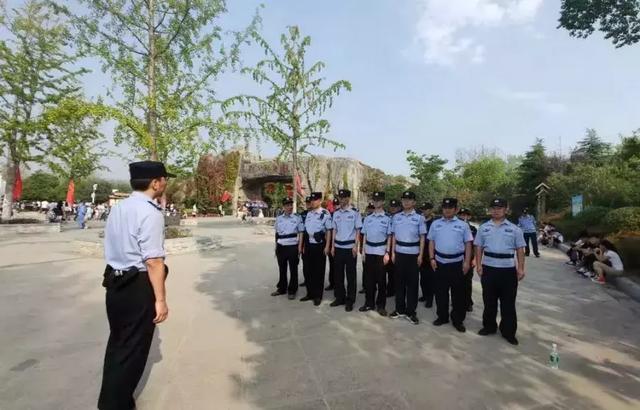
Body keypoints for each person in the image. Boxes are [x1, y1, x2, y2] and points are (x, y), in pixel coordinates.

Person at [98, 161, 173, 410]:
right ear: (155, 183)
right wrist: (160, 300)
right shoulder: (150, 213)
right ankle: (116, 404)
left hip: (115, 282)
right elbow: (153, 261)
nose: (165, 183)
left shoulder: (120, 208)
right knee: (133, 352)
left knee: (119, 345)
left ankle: (113, 400)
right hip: (137, 286)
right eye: (164, 179)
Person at [474, 198, 526, 346]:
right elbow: (478, 247)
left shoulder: (515, 229)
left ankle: (508, 331)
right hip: (489, 268)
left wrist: (520, 268)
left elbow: (520, 249)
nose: (496, 210)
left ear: (506, 210)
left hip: (508, 269)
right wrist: (478, 265)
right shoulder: (484, 228)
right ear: (490, 210)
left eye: (500, 208)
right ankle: (489, 326)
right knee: (489, 301)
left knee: (508, 302)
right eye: (494, 208)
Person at [427, 198, 473, 333]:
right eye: (445, 207)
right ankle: (442, 317)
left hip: (457, 263)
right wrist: (431, 258)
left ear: (456, 209)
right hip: (439, 263)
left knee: (458, 294)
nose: (447, 210)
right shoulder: (436, 224)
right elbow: (431, 242)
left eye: (450, 207)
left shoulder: (463, 225)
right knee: (440, 292)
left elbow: (468, 244)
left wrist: (467, 262)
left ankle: (458, 320)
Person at [389, 191, 426, 325]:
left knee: (412, 284)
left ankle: (411, 312)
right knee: (399, 283)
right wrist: (393, 253)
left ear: (414, 202)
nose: (406, 202)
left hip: (413, 254)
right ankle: (399, 309)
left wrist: (420, 255)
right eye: (404, 199)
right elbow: (393, 236)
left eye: (409, 199)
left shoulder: (419, 218)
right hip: (399, 253)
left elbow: (422, 237)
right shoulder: (396, 217)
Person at [330, 189, 362, 312]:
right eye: (340, 197)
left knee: (351, 276)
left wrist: (355, 246)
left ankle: (350, 300)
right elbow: (334, 230)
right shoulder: (336, 213)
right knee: (338, 275)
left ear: (348, 198)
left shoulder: (355, 212)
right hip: (338, 247)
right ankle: (340, 298)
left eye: (344, 198)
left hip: (350, 248)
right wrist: (332, 246)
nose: (341, 200)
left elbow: (358, 230)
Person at [360, 192, 391, 316]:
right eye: (375, 200)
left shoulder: (387, 219)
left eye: (379, 200)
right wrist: (363, 252)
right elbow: (365, 236)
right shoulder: (368, 218)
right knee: (369, 281)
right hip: (369, 252)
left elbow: (389, 237)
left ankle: (381, 305)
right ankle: (369, 303)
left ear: (383, 202)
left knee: (381, 281)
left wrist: (387, 253)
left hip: (381, 253)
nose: (376, 202)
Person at [302, 192, 332, 306]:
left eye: (315, 200)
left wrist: (327, 246)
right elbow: (306, 230)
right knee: (308, 270)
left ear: (320, 201)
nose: (312, 202)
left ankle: (318, 295)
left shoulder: (325, 213)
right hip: (309, 244)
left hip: (319, 245)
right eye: (311, 200)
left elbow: (328, 231)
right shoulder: (309, 214)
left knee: (318, 271)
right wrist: (303, 245)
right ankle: (310, 293)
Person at [272, 198, 303, 299]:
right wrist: (276, 246)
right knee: (282, 268)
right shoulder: (279, 219)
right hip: (281, 246)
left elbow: (301, 233)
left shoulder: (297, 218)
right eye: (287, 205)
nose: (289, 207)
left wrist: (300, 247)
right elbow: (276, 233)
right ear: (283, 207)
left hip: (292, 246)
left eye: (291, 205)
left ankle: (292, 290)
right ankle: (282, 288)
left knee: (293, 269)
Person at [458, 208, 477, 312]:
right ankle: (458, 301)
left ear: (469, 217)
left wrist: (475, 259)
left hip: (469, 258)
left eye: (465, 215)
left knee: (467, 282)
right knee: (457, 281)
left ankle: (468, 302)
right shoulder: (455, 227)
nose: (463, 217)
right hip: (457, 258)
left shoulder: (473, 229)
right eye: (461, 215)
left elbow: (476, 245)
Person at [418, 202, 435, 308]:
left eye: (426, 209)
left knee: (430, 278)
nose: (424, 211)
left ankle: (430, 299)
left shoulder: (434, 222)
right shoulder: (420, 221)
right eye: (423, 209)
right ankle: (424, 295)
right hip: (421, 252)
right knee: (423, 277)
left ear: (431, 210)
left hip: (430, 253)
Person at [385, 199, 401, 298]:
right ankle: (390, 289)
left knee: (396, 271)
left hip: (397, 247)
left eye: (395, 207)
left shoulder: (400, 218)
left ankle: (396, 289)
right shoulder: (388, 218)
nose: (393, 208)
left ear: (399, 207)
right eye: (391, 206)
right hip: (388, 247)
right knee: (389, 269)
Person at [359, 202, 375, 294]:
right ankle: (365, 286)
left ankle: (374, 287)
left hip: (376, 249)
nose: (371, 210)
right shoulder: (364, 219)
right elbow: (362, 235)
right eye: (369, 208)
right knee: (366, 269)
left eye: (372, 208)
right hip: (366, 247)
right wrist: (361, 247)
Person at [325, 197, 340, 292]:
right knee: (332, 264)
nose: (336, 206)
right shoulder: (330, 216)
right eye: (334, 205)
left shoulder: (341, 215)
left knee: (339, 266)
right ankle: (332, 283)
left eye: (337, 204)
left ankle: (338, 284)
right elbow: (328, 230)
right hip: (331, 243)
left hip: (340, 243)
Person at [298, 196, 312, 289]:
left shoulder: (317, 213)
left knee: (313, 262)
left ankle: (313, 280)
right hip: (304, 239)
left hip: (313, 239)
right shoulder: (302, 214)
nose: (308, 205)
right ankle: (306, 280)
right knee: (305, 262)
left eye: (309, 203)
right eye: (307, 203)